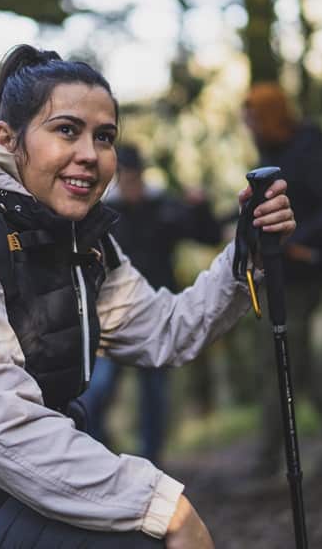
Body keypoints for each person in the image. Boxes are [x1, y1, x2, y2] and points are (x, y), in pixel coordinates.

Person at [0, 45, 296, 549]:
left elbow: (164, 332)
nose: (90, 153)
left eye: (104, 137)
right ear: (8, 139)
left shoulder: (78, 238)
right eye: (67, 130)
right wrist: (161, 503)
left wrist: (247, 259)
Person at [241, 82, 322, 478]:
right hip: (278, 273)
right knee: (298, 363)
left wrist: (300, 240)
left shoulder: (305, 151)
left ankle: (266, 460)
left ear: (270, 115)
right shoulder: (275, 154)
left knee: (277, 362)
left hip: (299, 278)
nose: (249, 126)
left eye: (254, 118)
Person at [79, 145, 223, 467]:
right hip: (110, 319)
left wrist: (200, 208)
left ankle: (152, 461)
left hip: (156, 315)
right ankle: (102, 457)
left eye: (135, 177)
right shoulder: (102, 215)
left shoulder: (164, 207)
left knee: (154, 395)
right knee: (95, 391)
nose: (131, 184)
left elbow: (208, 235)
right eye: (125, 178)